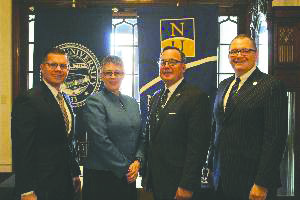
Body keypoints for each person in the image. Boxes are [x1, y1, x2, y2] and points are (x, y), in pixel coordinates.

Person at [208, 34, 288, 200]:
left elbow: (275, 139)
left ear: (256, 54)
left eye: (245, 50)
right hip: (221, 178)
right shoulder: (223, 85)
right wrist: (211, 166)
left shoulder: (271, 86)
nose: (239, 55)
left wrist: (262, 182)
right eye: (234, 51)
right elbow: (217, 127)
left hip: (253, 182)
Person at [11, 48, 81, 200]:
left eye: (63, 66)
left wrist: (74, 173)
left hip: (64, 183)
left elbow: (67, 143)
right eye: (52, 65)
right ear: (42, 68)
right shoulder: (29, 99)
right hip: (39, 187)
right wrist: (26, 190)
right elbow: (22, 148)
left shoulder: (65, 99)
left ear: (68, 69)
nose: (58, 69)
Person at [142, 46, 211, 200]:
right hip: (158, 180)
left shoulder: (196, 97)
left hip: (180, 184)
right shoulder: (155, 97)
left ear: (184, 67)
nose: (166, 66)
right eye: (163, 62)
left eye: (172, 62)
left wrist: (187, 184)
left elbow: (198, 147)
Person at [81, 55, 144, 200]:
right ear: (101, 75)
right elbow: (100, 141)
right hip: (102, 178)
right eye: (108, 73)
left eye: (117, 73)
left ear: (123, 75)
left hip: (128, 176)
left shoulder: (133, 102)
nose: (113, 76)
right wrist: (127, 168)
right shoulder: (94, 101)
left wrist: (138, 161)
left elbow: (141, 135)